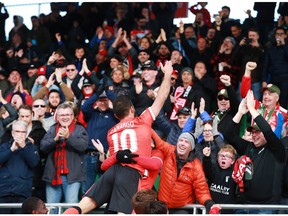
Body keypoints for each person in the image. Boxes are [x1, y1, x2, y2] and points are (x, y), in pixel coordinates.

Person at [63, 60, 173, 214]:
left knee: (82, 206)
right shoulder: (143, 121)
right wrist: (167, 74)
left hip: (112, 170)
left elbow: (106, 164)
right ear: (133, 109)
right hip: (131, 173)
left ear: (115, 114)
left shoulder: (111, 131)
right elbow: (162, 96)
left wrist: (116, 157)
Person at [219, 90, 286, 214]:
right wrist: (240, 112)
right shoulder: (248, 146)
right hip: (243, 206)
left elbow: (267, 130)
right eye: (252, 132)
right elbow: (228, 134)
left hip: (265, 209)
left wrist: (252, 108)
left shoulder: (276, 148)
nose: (254, 135)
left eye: (258, 132)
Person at [151, 130, 221, 214]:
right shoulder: (169, 151)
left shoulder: (196, 166)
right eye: (181, 140)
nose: (182, 143)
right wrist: (145, 121)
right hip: (162, 206)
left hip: (182, 209)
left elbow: (202, 190)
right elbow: (157, 140)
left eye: (186, 142)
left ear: (191, 147)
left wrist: (209, 203)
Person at [40, 103, 88, 204]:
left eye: (67, 115)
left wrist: (68, 137)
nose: (65, 117)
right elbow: (43, 147)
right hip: (53, 174)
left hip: (73, 176)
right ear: (57, 117)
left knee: (70, 205)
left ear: (72, 116)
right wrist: (55, 140)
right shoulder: (52, 129)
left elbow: (83, 146)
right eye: (62, 115)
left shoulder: (79, 129)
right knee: (51, 207)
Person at [0, 120, 40, 214]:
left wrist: (24, 147)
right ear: (12, 133)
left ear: (26, 134)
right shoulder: (4, 146)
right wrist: (11, 150)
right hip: (4, 191)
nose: (20, 134)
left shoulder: (31, 147)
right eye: (17, 131)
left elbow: (34, 163)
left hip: (23, 192)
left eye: (23, 132)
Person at [241, 61, 287, 138]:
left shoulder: (284, 113)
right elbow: (245, 94)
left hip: (273, 148)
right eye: (264, 94)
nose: (266, 97)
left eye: (270, 94)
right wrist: (247, 71)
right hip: (255, 144)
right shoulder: (257, 106)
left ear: (277, 98)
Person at [203, 144, 238, 214]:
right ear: (217, 158)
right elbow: (207, 169)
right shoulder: (213, 168)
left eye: (227, 156)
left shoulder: (235, 173)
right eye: (221, 155)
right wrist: (206, 157)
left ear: (232, 161)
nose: (223, 158)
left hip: (227, 211)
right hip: (211, 210)